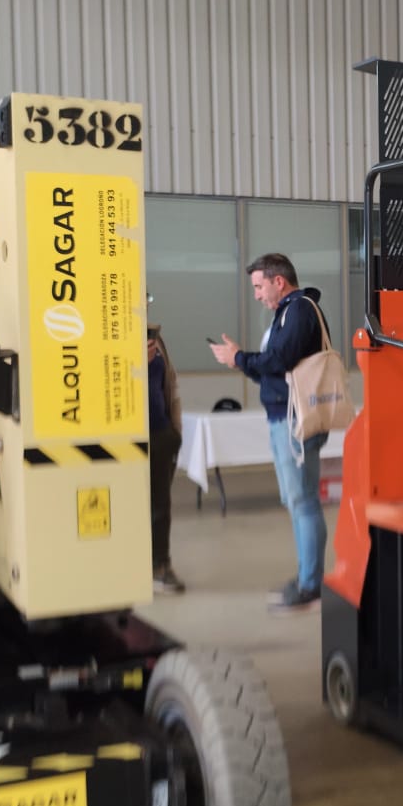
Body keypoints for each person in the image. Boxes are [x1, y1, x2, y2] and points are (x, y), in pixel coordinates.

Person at [212, 253, 329, 612]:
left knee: (303, 502)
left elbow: (279, 360)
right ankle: (306, 578)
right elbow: (273, 371)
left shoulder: (299, 310)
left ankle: (311, 586)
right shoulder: (286, 314)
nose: (257, 295)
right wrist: (239, 361)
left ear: (279, 281)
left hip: (294, 421)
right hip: (285, 418)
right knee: (297, 501)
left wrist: (241, 358)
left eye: (259, 286)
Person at [147, 325, 185, 594]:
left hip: (160, 432)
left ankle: (160, 565)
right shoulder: (106, 332)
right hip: (125, 438)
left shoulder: (154, 337)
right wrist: (134, 362)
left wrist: (174, 431)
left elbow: (168, 383)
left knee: (160, 506)